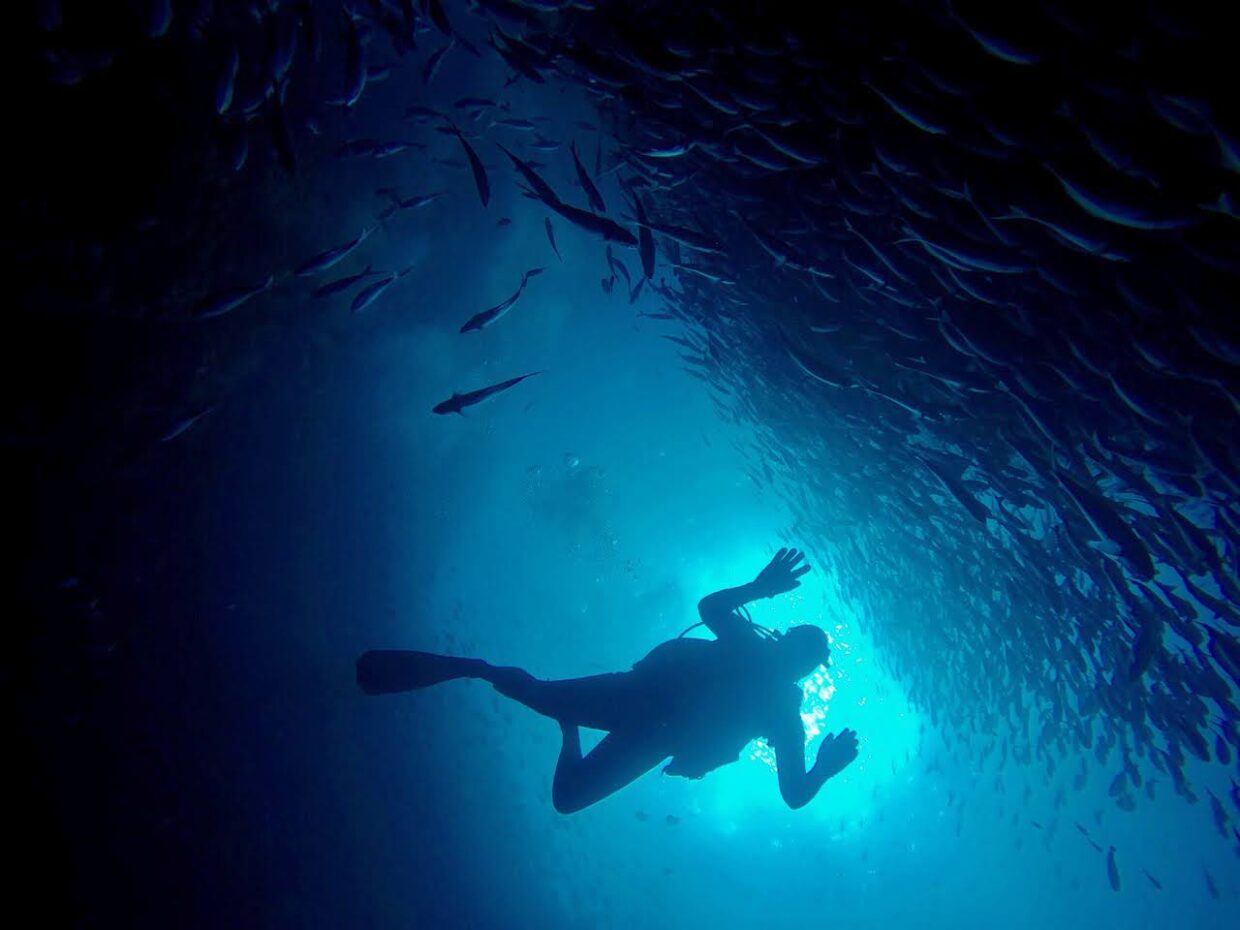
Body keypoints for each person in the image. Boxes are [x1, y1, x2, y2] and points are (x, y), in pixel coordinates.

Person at [356, 547, 859, 813]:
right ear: (784, 642)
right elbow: (709, 607)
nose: (794, 655)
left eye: (805, 654)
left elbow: (794, 795)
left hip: (652, 740)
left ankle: (565, 723)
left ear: (805, 669)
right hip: (634, 695)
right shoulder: (752, 653)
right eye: (797, 644)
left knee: (567, 799)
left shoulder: (784, 716)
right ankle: (472, 669)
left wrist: (825, 768)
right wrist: (758, 586)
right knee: (534, 695)